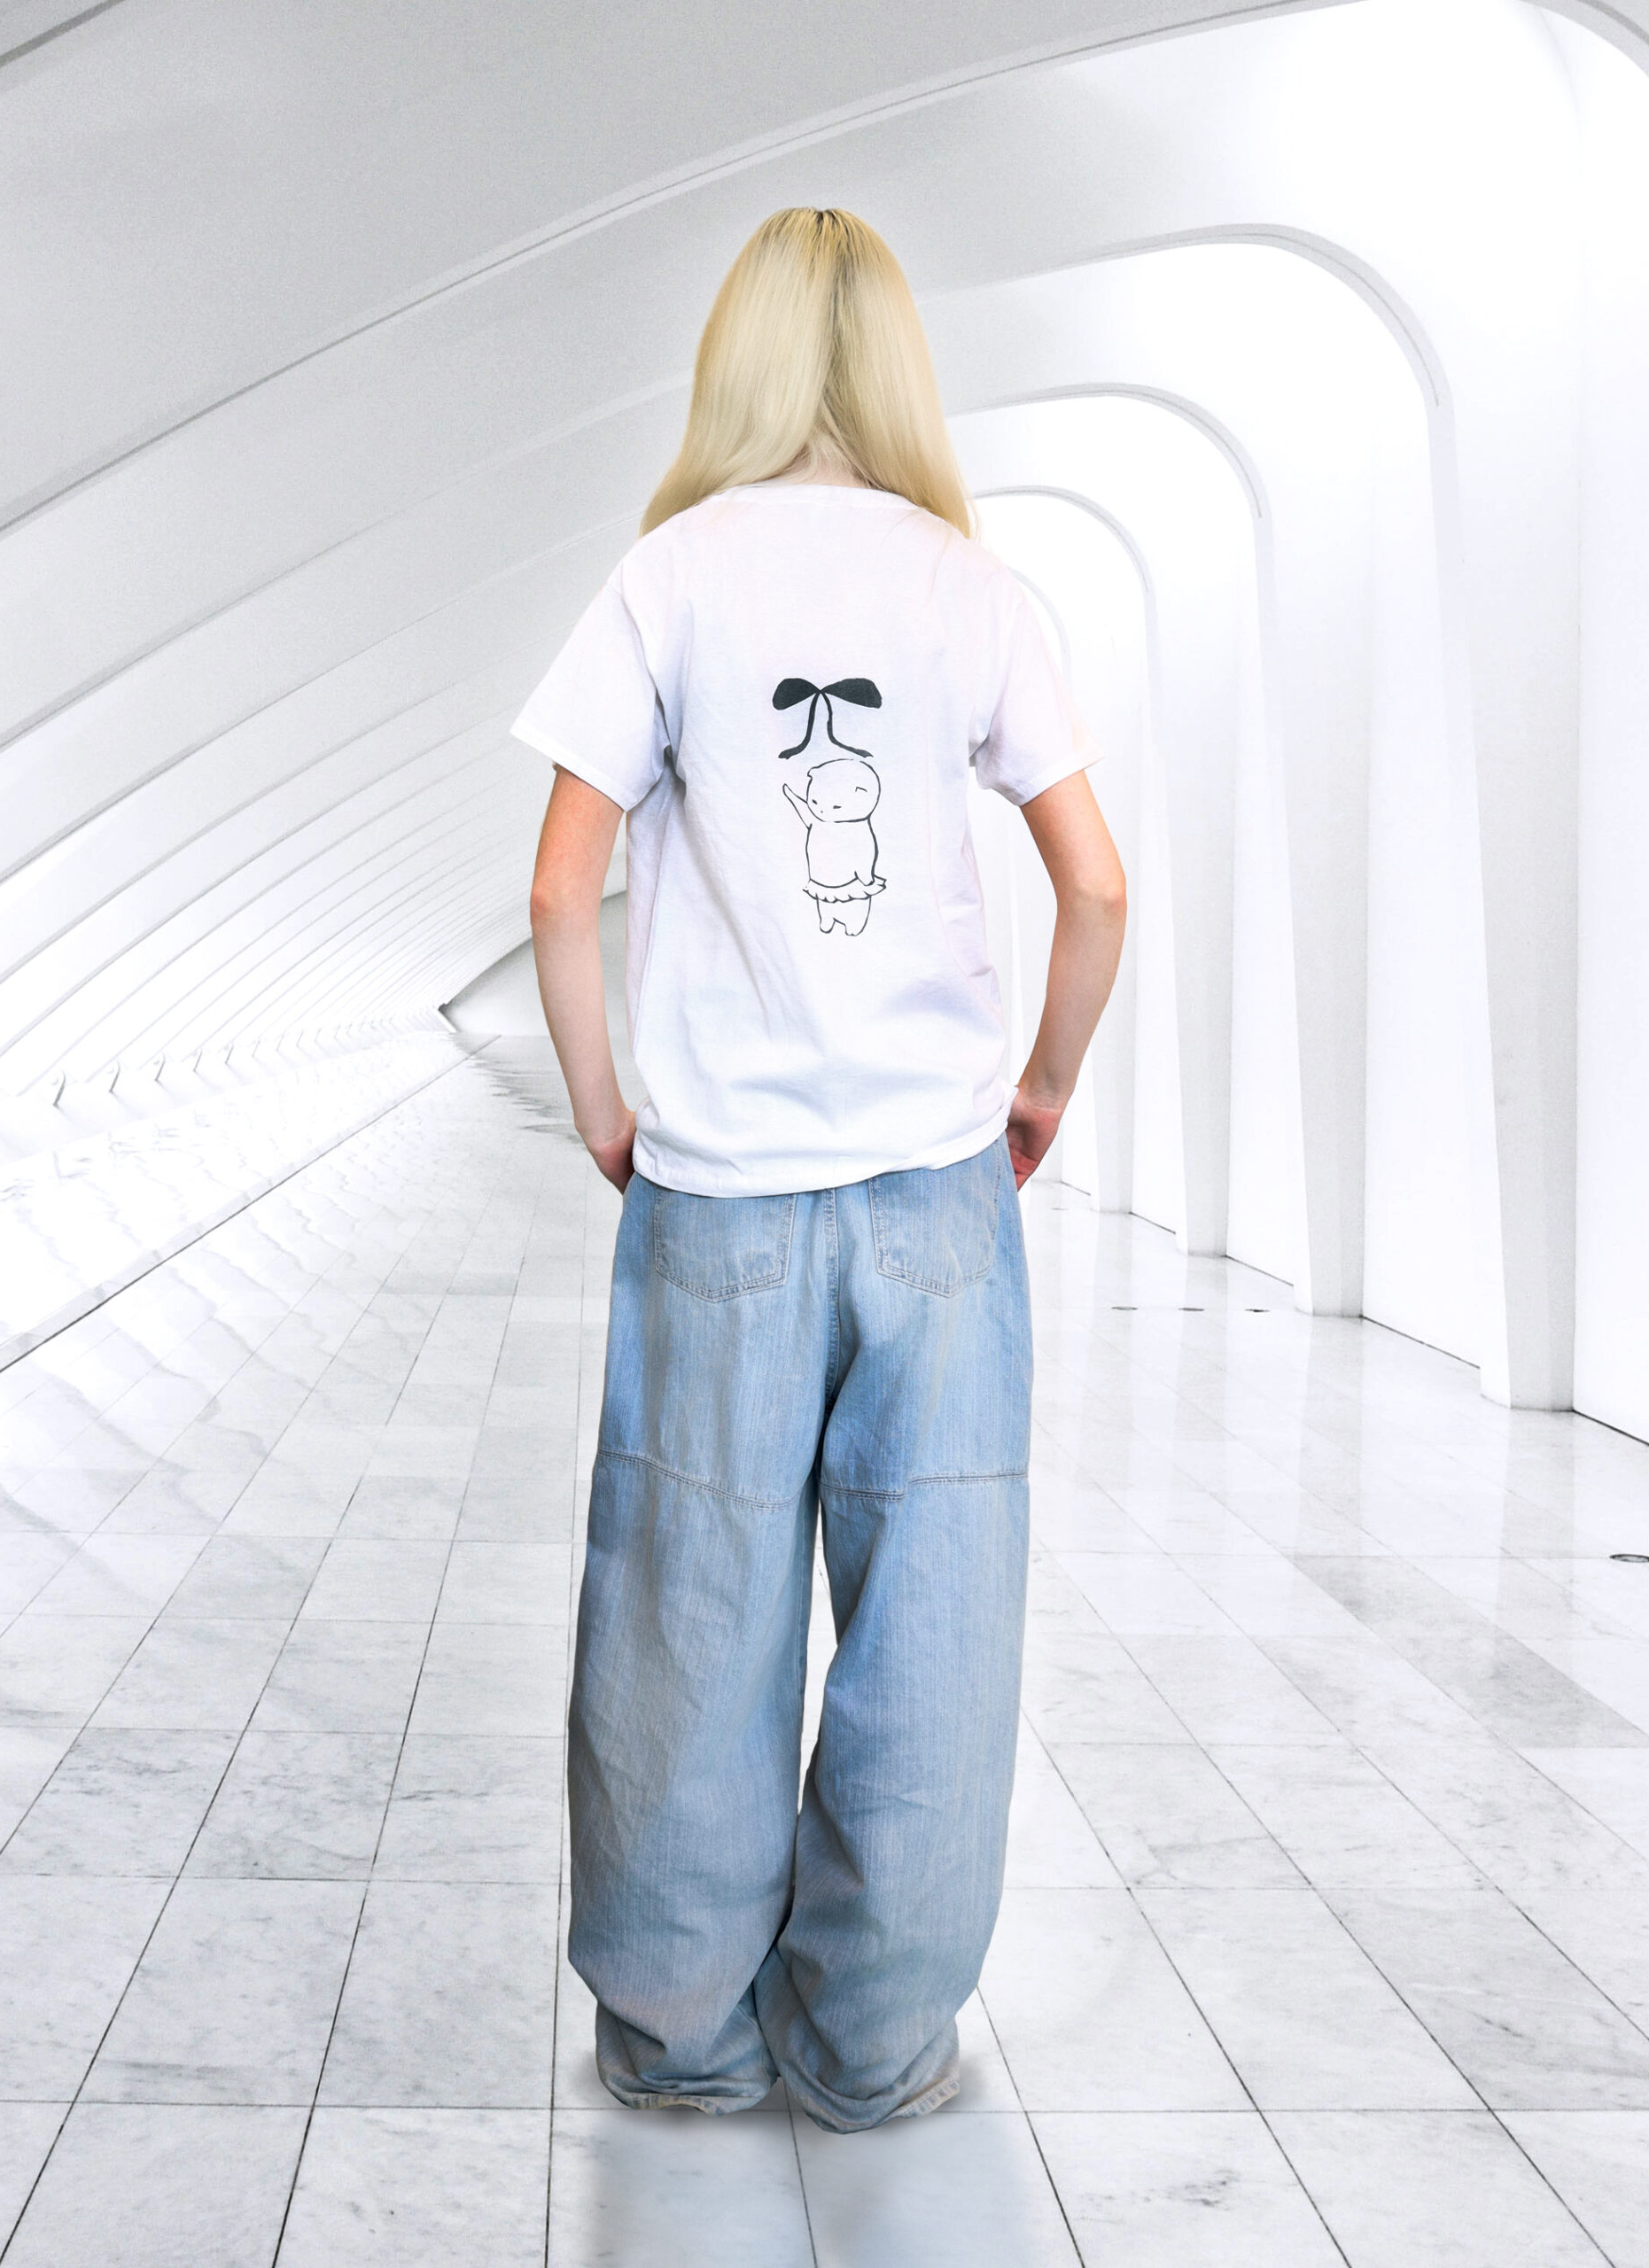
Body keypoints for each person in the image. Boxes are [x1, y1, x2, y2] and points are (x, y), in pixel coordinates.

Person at [515, 206, 1125, 2133]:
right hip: (935, 1186)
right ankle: (870, 2041)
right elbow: (1096, 885)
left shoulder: (666, 580)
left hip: (718, 1193)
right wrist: (1037, 1088)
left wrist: (605, 1107)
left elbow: (559, 889)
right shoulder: (970, 588)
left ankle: (680, 2033)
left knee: (687, 1608)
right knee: (934, 1617)